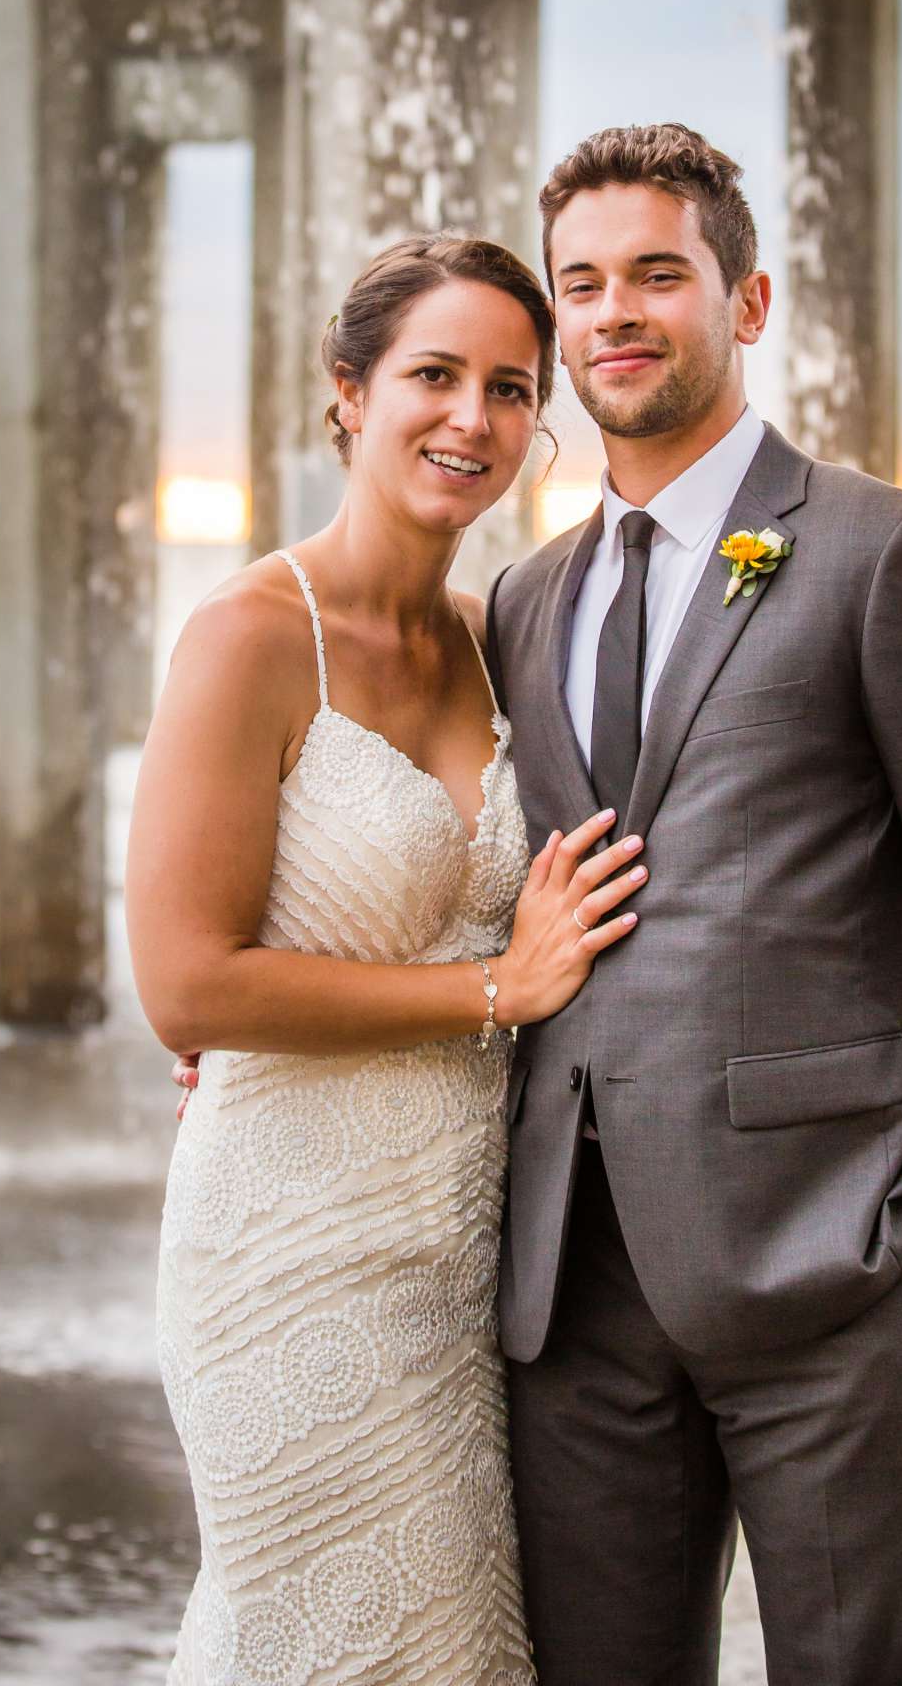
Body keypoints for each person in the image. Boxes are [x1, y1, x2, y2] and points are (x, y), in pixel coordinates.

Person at [483, 122, 902, 1686]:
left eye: (657, 276)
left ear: (744, 304)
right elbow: (498, 895)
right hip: (574, 1294)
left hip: (836, 1276)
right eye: (583, 284)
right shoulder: (527, 599)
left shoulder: (889, 557)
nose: (614, 313)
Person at [125, 233, 644, 1686]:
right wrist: (492, 991)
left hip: (468, 1251)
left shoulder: (504, 642)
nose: (469, 419)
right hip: (285, 1252)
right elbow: (186, 986)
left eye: (507, 387)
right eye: (432, 374)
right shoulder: (247, 637)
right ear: (349, 394)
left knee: (459, 1645)